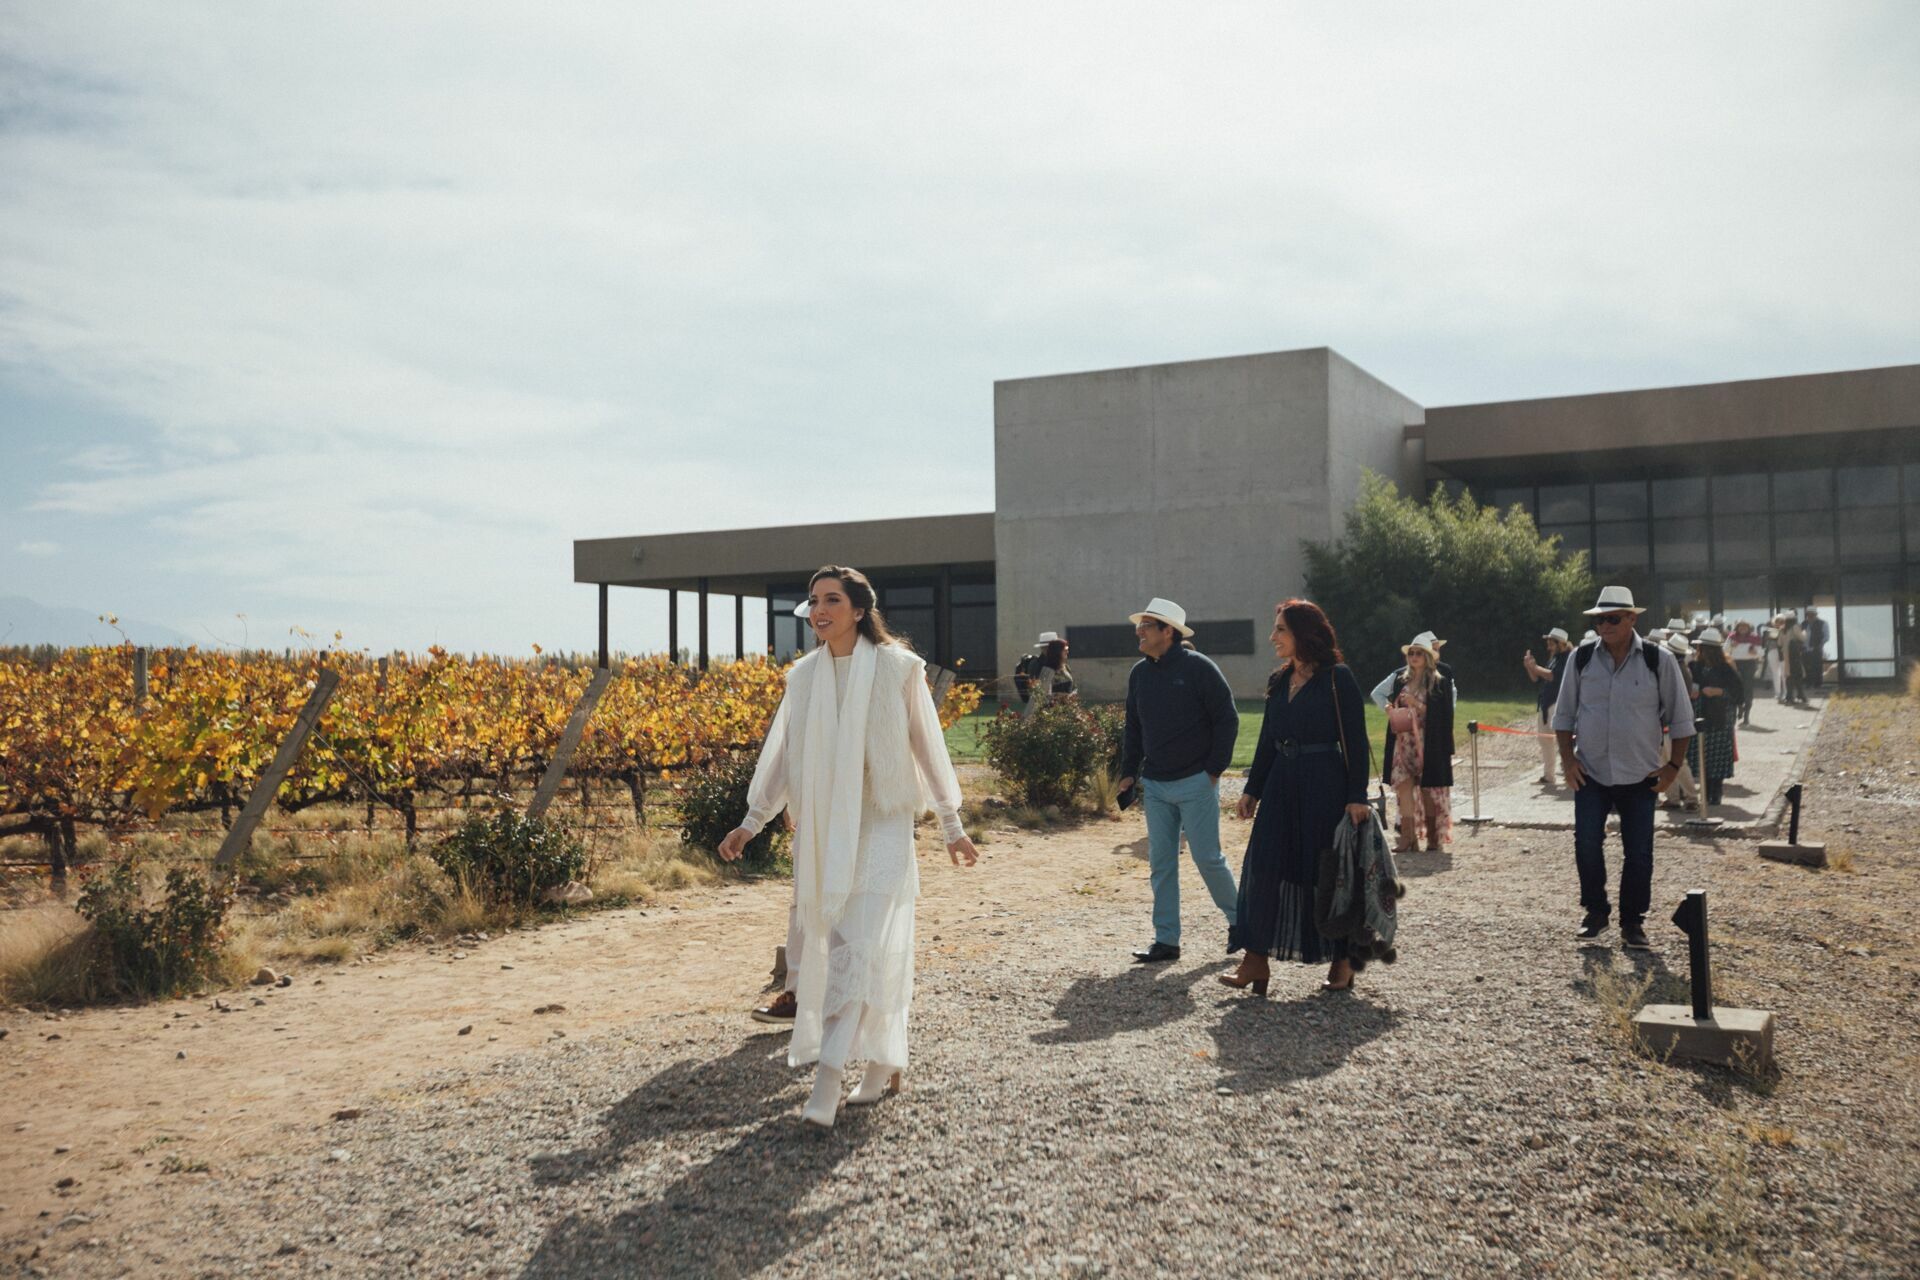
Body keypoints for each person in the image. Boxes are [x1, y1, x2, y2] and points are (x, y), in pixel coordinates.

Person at [717, 565, 979, 1129]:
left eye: (832, 600)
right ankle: (885, 1058)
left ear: (859, 610)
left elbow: (928, 749)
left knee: (857, 948)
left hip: (881, 824)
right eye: (814, 601)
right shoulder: (803, 677)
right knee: (848, 951)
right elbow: (782, 755)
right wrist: (751, 821)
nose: (819, 610)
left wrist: (952, 825)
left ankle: (828, 1077)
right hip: (821, 833)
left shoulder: (898, 670)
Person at [1220, 599, 1372, 995]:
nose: (1273, 637)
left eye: (1281, 629)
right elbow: (1268, 742)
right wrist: (1252, 788)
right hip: (1282, 786)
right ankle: (1255, 959)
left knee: (1326, 874)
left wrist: (1357, 795)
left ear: (1305, 633)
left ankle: (1342, 960)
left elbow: (1355, 742)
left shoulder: (1338, 679)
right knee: (1264, 867)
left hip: (1325, 784)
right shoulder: (1277, 681)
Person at [1552, 585, 1696, 951]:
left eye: (1613, 618)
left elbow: (1681, 720)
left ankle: (1633, 923)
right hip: (1591, 770)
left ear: (1632, 618)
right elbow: (1564, 715)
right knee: (1585, 843)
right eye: (1600, 619)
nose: (1605, 625)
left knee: (1640, 852)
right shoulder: (1581, 659)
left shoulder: (1657, 659)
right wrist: (1567, 760)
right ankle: (1595, 913)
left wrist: (1673, 767)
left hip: (1640, 773)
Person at [1116, 596, 1240, 965]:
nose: (1138, 631)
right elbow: (1133, 727)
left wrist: (1213, 771)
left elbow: (1227, 719)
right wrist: (1127, 772)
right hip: (1155, 785)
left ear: (1167, 632)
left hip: (1195, 782)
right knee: (1162, 864)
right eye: (1139, 625)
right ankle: (1166, 941)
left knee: (1207, 859)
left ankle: (1241, 923)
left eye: (1146, 626)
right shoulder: (1139, 673)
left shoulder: (1200, 668)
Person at [1380, 632, 1456, 853]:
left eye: (1418, 653)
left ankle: (1433, 837)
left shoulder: (1438, 681)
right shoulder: (1400, 680)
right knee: (1403, 786)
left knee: (1427, 788)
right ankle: (1407, 838)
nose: (1413, 657)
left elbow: (1443, 714)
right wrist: (1392, 710)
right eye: (1410, 653)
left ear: (1427, 657)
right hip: (1403, 742)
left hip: (1428, 742)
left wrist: (1419, 705)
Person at [1689, 628, 1744, 806]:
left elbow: (1739, 694)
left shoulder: (1725, 669)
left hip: (1721, 718)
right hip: (1701, 716)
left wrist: (1719, 692)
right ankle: (1705, 792)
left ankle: (1716, 792)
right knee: (1702, 755)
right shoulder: (1695, 667)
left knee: (1717, 757)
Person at [1523, 628, 1573, 786]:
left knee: (1563, 741)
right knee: (1545, 741)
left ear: (1561, 644)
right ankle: (1548, 775)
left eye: (1551, 643)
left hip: (1558, 704)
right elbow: (1537, 679)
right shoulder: (1554, 658)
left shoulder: (1568, 658)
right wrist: (1530, 667)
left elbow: (1553, 676)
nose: (1548, 647)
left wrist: (1535, 667)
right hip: (1546, 704)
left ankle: (1569, 773)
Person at [1661, 633, 1700, 811]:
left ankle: (1691, 797)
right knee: (1666, 761)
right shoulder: (1680, 668)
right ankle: (1673, 797)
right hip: (1670, 722)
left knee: (1677, 762)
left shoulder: (1676, 670)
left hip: (1672, 722)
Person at [1021, 635, 1076, 719]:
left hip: (1065, 709)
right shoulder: (1044, 668)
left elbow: (1072, 686)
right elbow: (1040, 694)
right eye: (1065, 650)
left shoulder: (1065, 668)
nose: (1067, 652)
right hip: (1052, 712)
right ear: (1057, 652)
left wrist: (1071, 695)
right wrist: (1059, 696)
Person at [1726, 621, 1763, 726]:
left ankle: (1746, 716)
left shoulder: (1754, 637)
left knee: (1748, 690)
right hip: (1735, 664)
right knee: (1736, 688)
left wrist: (1755, 652)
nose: (1743, 628)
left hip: (1749, 665)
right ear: (1737, 628)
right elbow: (1725, 651)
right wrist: (1732, 646)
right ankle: (1740, 708)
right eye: (1741, 627)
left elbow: (1761, 653)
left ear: (1748, 628)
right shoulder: (1731, 637)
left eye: (1745, 627)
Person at [1782, 613, 1808, 704]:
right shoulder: (1795, 627)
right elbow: (1802, 638)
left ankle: (1789, 697)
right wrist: (1804, 632)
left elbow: (1779, 643)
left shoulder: (1783, 629)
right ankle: (1799, 695)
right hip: (1794, 654)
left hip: (1785, 654)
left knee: (1789, 675)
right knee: (1798, 674)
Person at [1803, 607, 1829, 692]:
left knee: (1817, 666)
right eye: (1808, 614)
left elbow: (1826, 637)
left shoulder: (1823, 623)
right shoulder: (1803, 624)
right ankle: (1808, 683)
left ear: (1815, 614)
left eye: (1811, 614)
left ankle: (1818, 684)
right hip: (1805, 649)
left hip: (1816, 649)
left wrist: (1820, 645)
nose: (1810, 616)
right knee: (1807, 667)